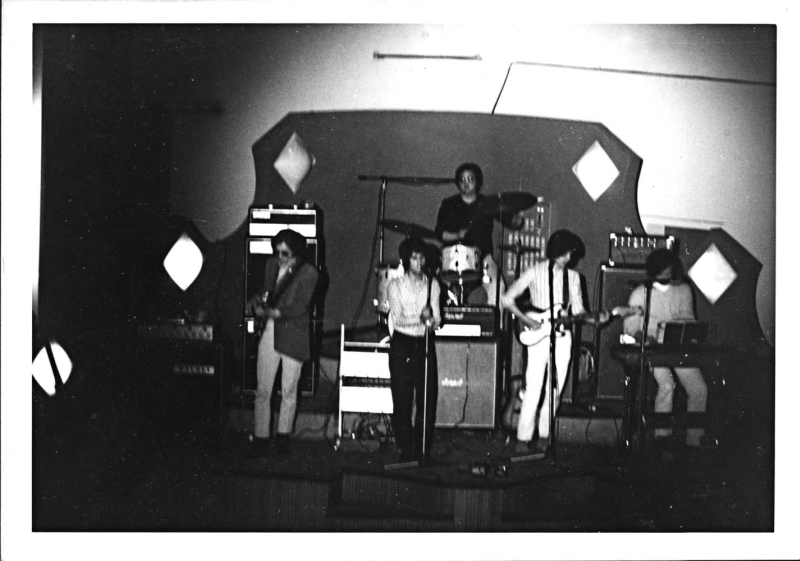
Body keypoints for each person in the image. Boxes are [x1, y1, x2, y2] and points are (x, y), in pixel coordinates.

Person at [501, 230, 608, 453]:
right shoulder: (534, 271)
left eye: (571, 253)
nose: (569, 257)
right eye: (565, 252)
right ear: (555, 250)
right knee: (533, 387)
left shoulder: (574, 278)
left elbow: (578, 311)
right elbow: (507, 299)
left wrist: (595, 319)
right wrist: (526, 320)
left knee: (555, 389)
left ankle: (545, 436)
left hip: (562, 336)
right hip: (538, 335)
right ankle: (522, 438)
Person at [623, 248, 707, 448]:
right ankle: (662, 438)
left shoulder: (684, 289)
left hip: (677, 347)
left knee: (698, 388)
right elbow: (630, 325)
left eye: (670, 270)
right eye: (663, 271)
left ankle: (694, 440)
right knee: (667, 385)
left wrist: (680, 331)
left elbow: (688, 318)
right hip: (652, 348)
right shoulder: (641, 292)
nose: (667, 275)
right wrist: (643, 337)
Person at [245, 229, 319, 456]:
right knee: (263, 389)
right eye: (277, 252)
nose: (280, 257)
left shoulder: (308, 272)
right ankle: (261, 436)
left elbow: (300, 306)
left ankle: (283, 437)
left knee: (289, 390)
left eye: (285, 253)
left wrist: (276, 312)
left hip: (294, 334)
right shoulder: (271, 265)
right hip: (270, 330)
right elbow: (266, 292)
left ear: (296, 253)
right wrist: (256, 302)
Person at [435, 162, 522, 306]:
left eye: (470, 179)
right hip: (453, 259)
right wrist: (456, 236)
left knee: (497, 287)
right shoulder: (449, 204)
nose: (466, 183)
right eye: (462, 180)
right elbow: (439, 233)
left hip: (484, 260)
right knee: (440, 289)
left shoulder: (488, 203)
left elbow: (510, 221)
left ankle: (496, 320)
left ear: (477, 182)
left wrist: (516, 221)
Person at [387, 236, 442, 463]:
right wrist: (420, 318)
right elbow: (398, 319)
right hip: (402, 344)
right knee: (402, 399)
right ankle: (404, 449)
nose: (419, 262)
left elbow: (437, 320)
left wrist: (432, 320)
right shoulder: (395, 286)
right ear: (406, 260)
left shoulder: (433, 285)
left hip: (424, 344)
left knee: (427, 400)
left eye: (422, 258)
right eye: (414, 258)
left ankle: (422, 450)